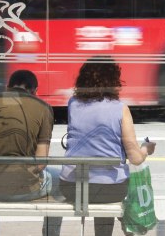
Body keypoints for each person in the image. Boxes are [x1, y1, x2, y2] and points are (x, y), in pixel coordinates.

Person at [53, 56, 156, 236]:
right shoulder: (120, 108)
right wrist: (147, 148)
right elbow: (136, 158)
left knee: (102, 183)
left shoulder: (73, 104)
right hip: (109, 190)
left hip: (72, 187)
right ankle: (129, 227)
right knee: (110, 184)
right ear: (113, 81)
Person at [0, 70, 57, 236]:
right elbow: (41, 163)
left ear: (8, 86)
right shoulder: (43, 107)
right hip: (26, 189)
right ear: (34, 90)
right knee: (59, 177)